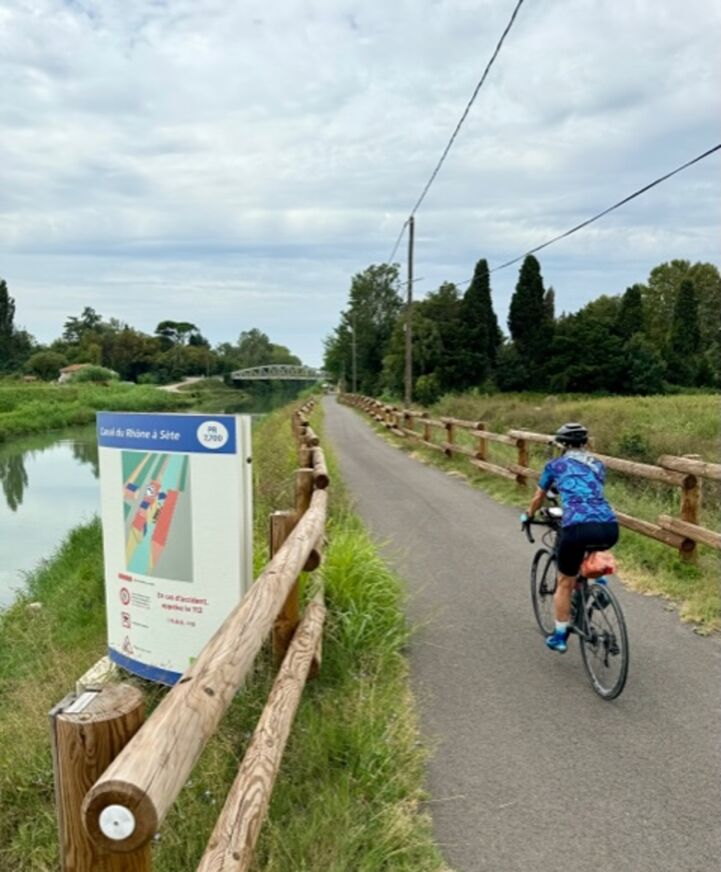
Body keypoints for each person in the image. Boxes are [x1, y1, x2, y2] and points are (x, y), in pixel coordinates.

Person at [523, 422, 619, 653]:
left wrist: (529, 515)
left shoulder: (554, 465)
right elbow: (588, 492)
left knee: (565, 582)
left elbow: (539, 496)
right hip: (609, 526)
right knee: (590, 550)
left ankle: (559, 635)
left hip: (577, 526)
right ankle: (599, 586)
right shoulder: (598, 464)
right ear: (585, 443)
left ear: (562, 445)